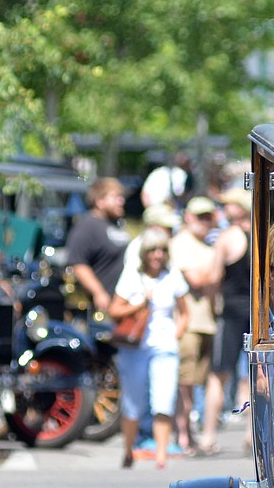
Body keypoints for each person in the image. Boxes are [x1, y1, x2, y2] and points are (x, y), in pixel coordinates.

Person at [107, 227, 189, 469]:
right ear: (144, 253)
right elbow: (114, 310)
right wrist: (140, 304)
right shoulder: (132, 275)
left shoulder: (173, 275)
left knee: (163, 400)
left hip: (164, 346)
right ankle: (128, 449)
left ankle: (161, 454)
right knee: (133, 402)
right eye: (153, 250)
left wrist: (176, 334)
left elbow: (185, 312)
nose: (158, 255)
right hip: (135, 346)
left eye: (162, 250)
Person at [197, 189, 253, 455]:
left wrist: (211, 303)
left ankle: (208, 436)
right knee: (257, 375)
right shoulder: (261, 235)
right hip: (255, 312)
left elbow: (212, 277)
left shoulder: (227, 238)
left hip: (230, 312)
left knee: (218, 376)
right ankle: (252, 436)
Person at [169, 196, 220, 454]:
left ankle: (189, 434)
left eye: (208, 216)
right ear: (188, 216)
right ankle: (182, 437)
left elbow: (208, 280)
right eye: (199, 216)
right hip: (188, 323)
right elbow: (197, 280)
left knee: (197, 383)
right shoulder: (181, 243)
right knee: (184, 384)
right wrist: (217, 269)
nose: (204, 222)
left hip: (208, 321)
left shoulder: (208, 246)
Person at [66, 177, 131, 314]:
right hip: (102, 307)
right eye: (115, 197)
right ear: (100, 201)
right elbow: (78, 264)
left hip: (122, 303)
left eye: (121, 197)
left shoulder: (116, 224)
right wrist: (98, 292)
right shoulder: (87, 226)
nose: (121, 201)